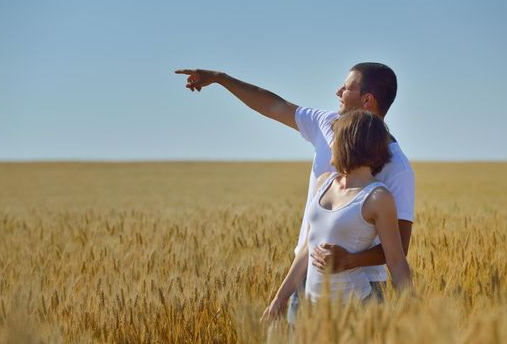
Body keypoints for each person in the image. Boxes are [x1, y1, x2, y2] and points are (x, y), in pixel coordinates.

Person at [175, 62, 415, 322]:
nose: (337, 92)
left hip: (361, 291)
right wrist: (221, 79)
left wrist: (350, 260)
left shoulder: (397, 167)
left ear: (367, 100)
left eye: (346, 88)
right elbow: (273, 106)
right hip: (307, 277)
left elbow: (398, 251)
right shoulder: (328, 125)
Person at [260, 110, 412, 322]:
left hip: (356, 311)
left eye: (335, 138)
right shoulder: (324, 182)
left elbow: (396, 261)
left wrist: (412, 312)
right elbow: (308, 248)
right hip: (313, 310)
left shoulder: (378, 197)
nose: (330, 144)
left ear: (350, 143)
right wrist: (280, 298)